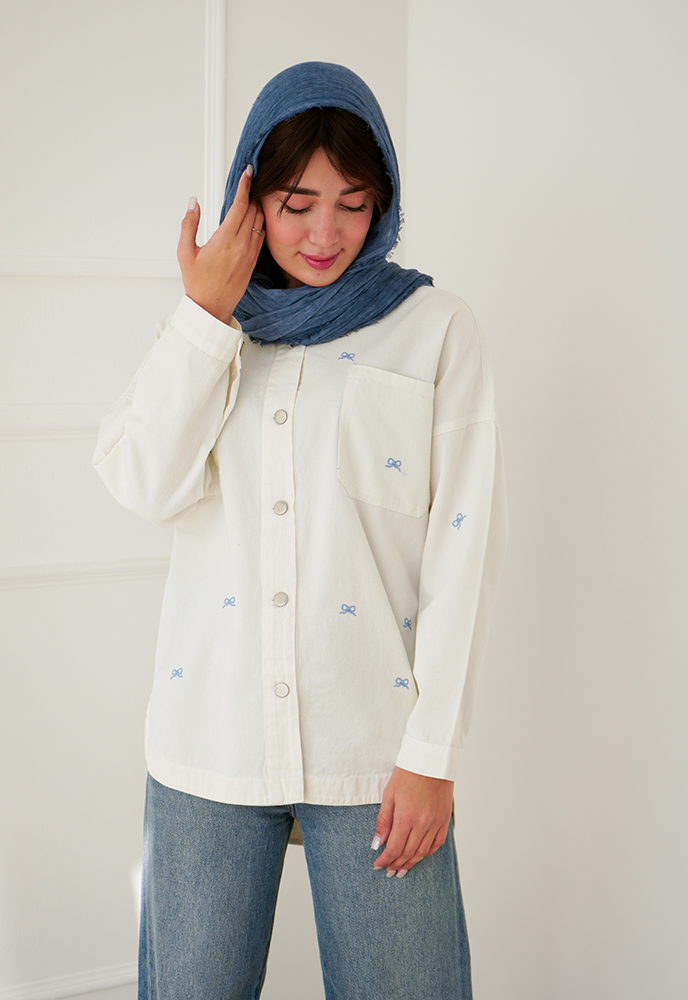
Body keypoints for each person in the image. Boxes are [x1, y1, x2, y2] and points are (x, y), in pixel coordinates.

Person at [94, 61, 506, 1000]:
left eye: (354, 204)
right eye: (296, 203)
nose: (326, 234)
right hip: (210, 740)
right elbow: (143, 484)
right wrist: (203, 316)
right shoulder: (208, 329)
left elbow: (466, 550)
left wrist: (433, 757)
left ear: (383, 200)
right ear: (252, 196)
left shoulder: (435, 330)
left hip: (376, 751)